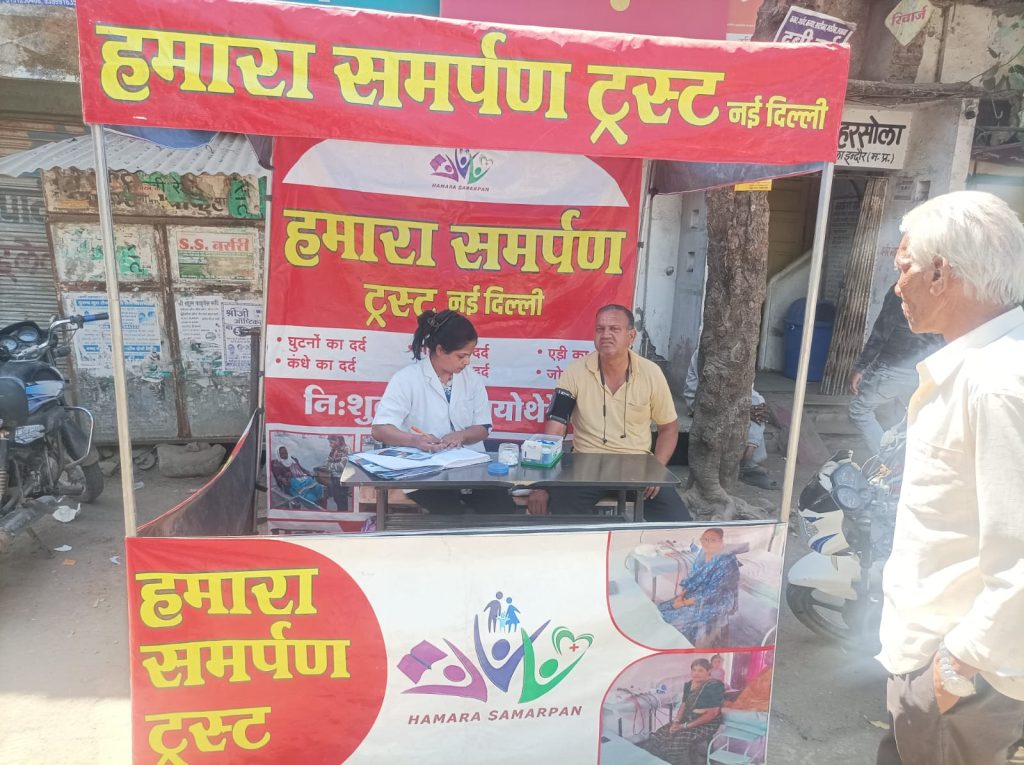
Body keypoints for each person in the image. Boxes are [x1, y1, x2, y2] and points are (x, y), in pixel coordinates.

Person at [875, 191, 1024, 765]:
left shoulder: (998, 382)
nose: (898, 286)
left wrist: (958, 664)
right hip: (941, 664)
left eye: (905, 267)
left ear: (941, 273)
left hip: (963, 677)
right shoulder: (984, 366)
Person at [527, 305, 691, 521]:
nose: (605, 335)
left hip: (638, 467)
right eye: (600, 329)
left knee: (678, 522)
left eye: (614, 329)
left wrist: (657, 471)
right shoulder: (575, 372)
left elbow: (668, 428)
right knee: (565, 520)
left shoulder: (651, 373)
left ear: (631, 336)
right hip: (585, 466)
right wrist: (542, 485)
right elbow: (555, 429)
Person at [371, 309, 516, 515]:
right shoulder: (406, 379)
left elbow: (483, 427)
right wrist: (415, 441)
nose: (467, 362)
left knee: (503, 510)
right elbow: (380, 429)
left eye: (469, 355)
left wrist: (461, 435)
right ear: (439, 350)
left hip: (471, 468)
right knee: (454, 516)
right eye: (461, 356)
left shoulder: (472, 379)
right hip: (424, 474)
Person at [849, 286, 942, 455]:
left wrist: (861, 367)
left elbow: (881, 331)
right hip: (924, 369)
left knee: (859, 410)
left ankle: (886, 459)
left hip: (893, 366)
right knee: (911, 414)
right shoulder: (940, 290)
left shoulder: (901, 290)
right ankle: (904, 458)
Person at [684, 349, 772, 489]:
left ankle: (748, 454)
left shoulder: (742, 349)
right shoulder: (708, 349)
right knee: (750, 407)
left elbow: (747, 388)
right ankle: (747, 462)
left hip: (732, 400)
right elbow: (710, 391)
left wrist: (747, 406)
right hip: (702, 400)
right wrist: (742, 407)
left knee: (758, 403)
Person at [657, 527, 740, 647]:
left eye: (712, 540)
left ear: (721, 542)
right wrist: (682, 594)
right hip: (697, 593)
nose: (707, 543)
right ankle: (685, 640)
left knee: (671, 618)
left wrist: (684, 603)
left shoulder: (726, 561)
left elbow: (713, 594)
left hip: (718, 601)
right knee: (661, 608)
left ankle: (683, 645)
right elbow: (693, 576)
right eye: (704, 539)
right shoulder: (702, 553)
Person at [638, 658, 725, 765]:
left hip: (706, 723)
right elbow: (683, 705)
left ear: (709, 671)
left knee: (678, 742)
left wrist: (684, 726)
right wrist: (676, 722)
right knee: (660, 735)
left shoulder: (715, 686)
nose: (696, 673)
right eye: (694, 670)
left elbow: (712, 714)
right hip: (687, 718)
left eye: (700, 670)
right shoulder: (689, 685)